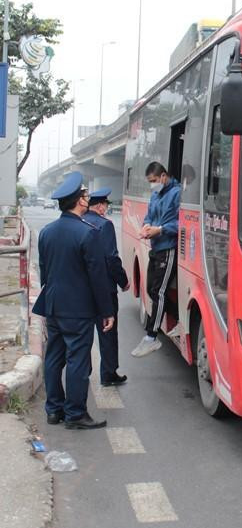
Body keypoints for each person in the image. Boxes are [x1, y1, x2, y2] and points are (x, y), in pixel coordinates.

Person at [33, 172, 114, 430]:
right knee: (78, 360)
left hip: (54, 305)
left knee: (54, 358)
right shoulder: (87, 234)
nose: (87, 199)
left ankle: (53, 410)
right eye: (85, 196)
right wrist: (106, 311)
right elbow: (98, 278)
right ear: (80, 202)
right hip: (78, 310)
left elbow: (45, 272)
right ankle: (75, 413)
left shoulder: (46, 232)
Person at [131, 162, 181, 357]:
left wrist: (160, 230)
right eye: (150, 182)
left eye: (153, 181)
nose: (152, 185)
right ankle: (176, 319)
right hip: (155, 246)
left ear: (163, 176)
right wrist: (146, 226)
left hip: (168, 247)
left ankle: (151, 337)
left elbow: (182, 222)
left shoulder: (176, 193)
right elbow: (149, 216)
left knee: (158, 291)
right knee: (152, 289)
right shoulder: (155, 195)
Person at [85, 188, 129, 386]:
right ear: (101, 205)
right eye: (106, 205)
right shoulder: (105, 225)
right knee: (108, 332)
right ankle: (108, 373)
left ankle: (83, 371)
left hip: (83, 290)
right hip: (104, 291)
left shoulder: (80, 222)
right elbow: (111, 258)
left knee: (84, 333)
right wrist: (123, 281)